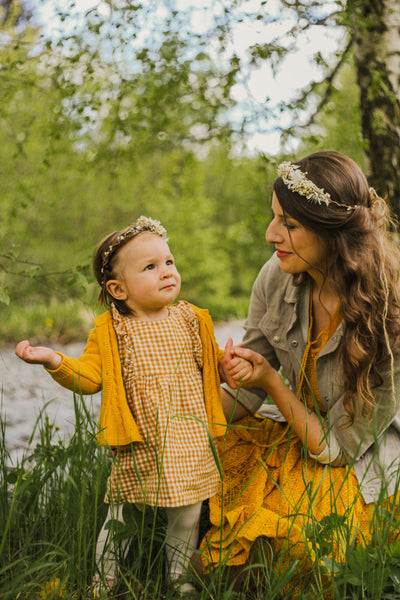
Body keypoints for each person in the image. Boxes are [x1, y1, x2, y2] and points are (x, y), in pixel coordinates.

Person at [15, 216, 252, 597]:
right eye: (150, 267)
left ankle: (178, 577)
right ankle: (104, 578)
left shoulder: (192, 320)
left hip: (189, 441)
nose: (166, 272)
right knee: (123, 514)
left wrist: (231, 365)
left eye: (169, 262)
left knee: (188, 514)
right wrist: (55, 361)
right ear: (118, 288)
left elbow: (212, 369)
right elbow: (90, 378)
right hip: (140, 443)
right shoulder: (112, 330)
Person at [197, 150, 400, 589]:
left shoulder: (390, 311)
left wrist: (270, 380)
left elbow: (338, 448)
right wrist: (180, 411)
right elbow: (246, 396)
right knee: (200, 469)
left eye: (289, 224)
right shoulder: (275, 277)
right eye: (274, 218)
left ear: (334, 234)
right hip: (296, 429)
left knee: (302, 547)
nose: (272, 234)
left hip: (355, 456)